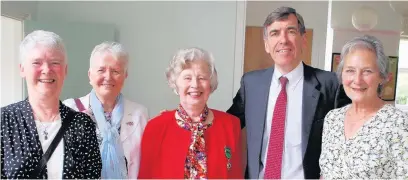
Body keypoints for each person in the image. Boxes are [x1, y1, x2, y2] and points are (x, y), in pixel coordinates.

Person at [226, 6, 350, 179]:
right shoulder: (251, 83)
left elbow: (351, 135)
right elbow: (227, 125)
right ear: (266, 45)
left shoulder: (330, 84)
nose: (283, 40)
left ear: (303, 40)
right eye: (275, 33)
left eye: (291, 31)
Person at [1, 30, 101, 179]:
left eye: (55, 63)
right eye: (37, 63)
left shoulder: (82, 125)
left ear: (65, 70)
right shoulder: (4, 121)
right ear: (22, 69)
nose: (47, 70)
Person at [138, 47, 243, 179]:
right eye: (187, 78)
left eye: (202, 78)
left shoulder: (231, 125)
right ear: (175, 84)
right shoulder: (155, 127)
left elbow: (236, 176)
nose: (195, 84)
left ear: (210, 84)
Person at [319, 35, 408, 179]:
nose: (357, 80)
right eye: (350, 70)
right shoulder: (332, 119)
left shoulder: (398, 123)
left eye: (367, 71)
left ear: (382, 77)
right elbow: (325, 173)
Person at [63, 41, 149, 179]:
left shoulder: (139, 113)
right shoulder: (70, 110)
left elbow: (146, 164)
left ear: (125, 75)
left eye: (115, 71)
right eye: (101, 70)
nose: (108, 77)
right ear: (90, 75)